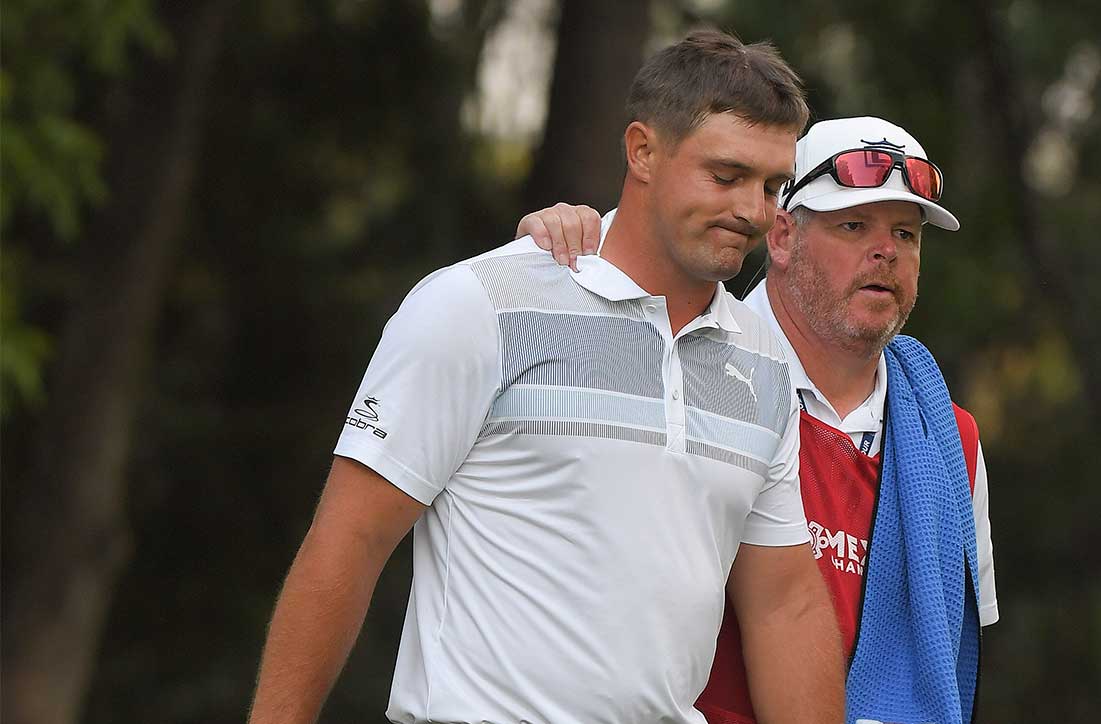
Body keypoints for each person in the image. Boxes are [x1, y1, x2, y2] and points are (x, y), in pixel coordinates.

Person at [246, 30, 845, 724]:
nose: (754, 209)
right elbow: (348, 541)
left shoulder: (764, 361)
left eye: (773, 185)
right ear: (643, 151)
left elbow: (785, 604)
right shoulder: (481, 305)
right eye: (727, 175)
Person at [519, 115, 999, 724]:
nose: (886, 252)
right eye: (853, 225)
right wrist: (556, 247)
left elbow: (956, 654)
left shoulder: (948, 437)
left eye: (906, 234)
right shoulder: (681, 365)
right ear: (781, 237)